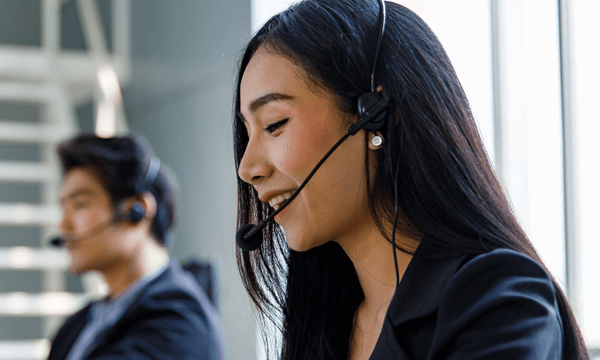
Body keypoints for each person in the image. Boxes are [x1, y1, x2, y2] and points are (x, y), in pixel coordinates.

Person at [232, 1, 589, 359]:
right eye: (247, 134)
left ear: (376, 113)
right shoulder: (324, 323)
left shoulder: (497, 300)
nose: (247, 168)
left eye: (274, 124)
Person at [47, 134, 225, 360]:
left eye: (80, 205)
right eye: (64, 208)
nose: (63, 225)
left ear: (136, 211)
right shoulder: (78, 324)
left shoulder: (179, 327)